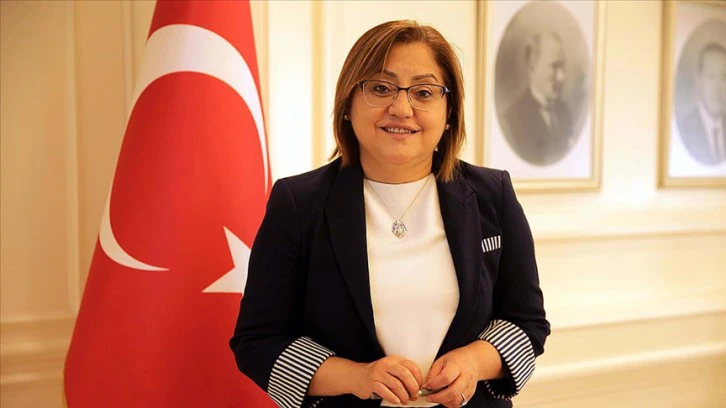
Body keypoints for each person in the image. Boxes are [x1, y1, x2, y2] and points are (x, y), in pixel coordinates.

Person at [230, 20, 549, 408]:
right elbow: (258, 340)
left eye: (424, 92)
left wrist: (474, 362)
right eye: (381, 88)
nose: (401, 108)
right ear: (348, 104)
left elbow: (527, 322)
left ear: (449, 111)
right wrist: (357, 377)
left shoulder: (492, 194)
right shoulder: (298, 203)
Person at [501, 32, 574, 166]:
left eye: (562, 65)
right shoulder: (511, 119)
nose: (561, 77)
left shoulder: (566, 113)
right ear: (532, 66)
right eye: (554, 66)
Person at [678, 42, 726, 165]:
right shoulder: (685, 128)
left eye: (723, 77)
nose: (718, 87)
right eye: (711, 77)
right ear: (699, 81)